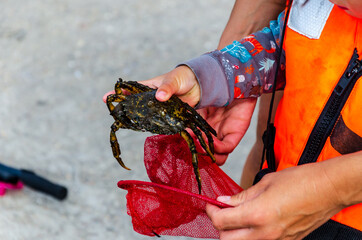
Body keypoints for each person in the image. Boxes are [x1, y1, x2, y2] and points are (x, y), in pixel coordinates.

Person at [138, 0, 362, 239]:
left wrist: (325, 187)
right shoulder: (321, 8)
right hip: (278, 183)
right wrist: (205, 78)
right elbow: (275, 48)